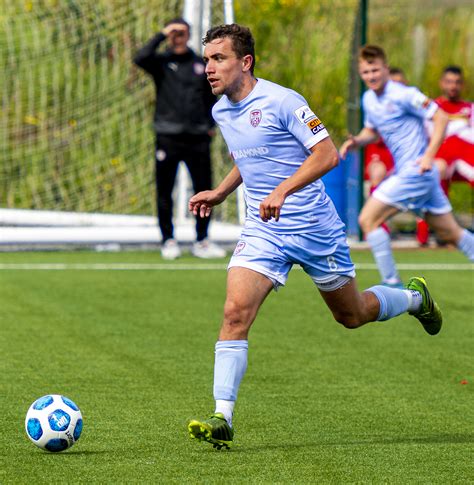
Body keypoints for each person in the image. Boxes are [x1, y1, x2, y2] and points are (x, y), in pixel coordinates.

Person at [186, 25, 444, 451]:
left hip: (314, 229)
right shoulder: (221, 111)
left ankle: (415, 299)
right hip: (264, 231)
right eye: (207, 59)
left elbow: (326, 154)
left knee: (352, 315)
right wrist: (221, 191)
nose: (209, 68)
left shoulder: (284, 101)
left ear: (245, 62)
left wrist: (283, 190)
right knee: (235, 313)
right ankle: (222, 416)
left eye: (219, 59)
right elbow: (251, 158)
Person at [340, 45, 474, 288]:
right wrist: (358, 141)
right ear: (361, 73)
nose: (371, 76)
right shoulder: (369, 98)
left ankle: (392, 284)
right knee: (451, 233)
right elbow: (373, 130)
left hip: (417, 172)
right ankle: (392, 282)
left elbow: (441, 118)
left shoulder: (404, 94)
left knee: (367, 219)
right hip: (418, 175)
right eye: (366, 72)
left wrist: (428, 157)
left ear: (386, 69)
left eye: (375, 70)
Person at [133, 18, 225, 260]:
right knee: (165, 190)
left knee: (204, 190)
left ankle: (202, 240)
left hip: (197, 138)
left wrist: (210, 126)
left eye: (181, 32)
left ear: (189, 34)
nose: (178, 37)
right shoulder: (161, 63)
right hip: (168, 136)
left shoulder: (199, 64)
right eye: (173, 33)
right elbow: (140, 58)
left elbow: (211, 97)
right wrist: (162, 34)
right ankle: (168, 239)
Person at [432, 65, 473, 194]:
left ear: (462, 85)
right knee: (437, 168)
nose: (453, 86)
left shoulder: (470, 108)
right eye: (449, 82)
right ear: (441, 83)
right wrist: (460, 127)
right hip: (440, 155)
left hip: (466, 154)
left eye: (457, 82)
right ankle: (434, 212)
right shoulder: (433, 107)